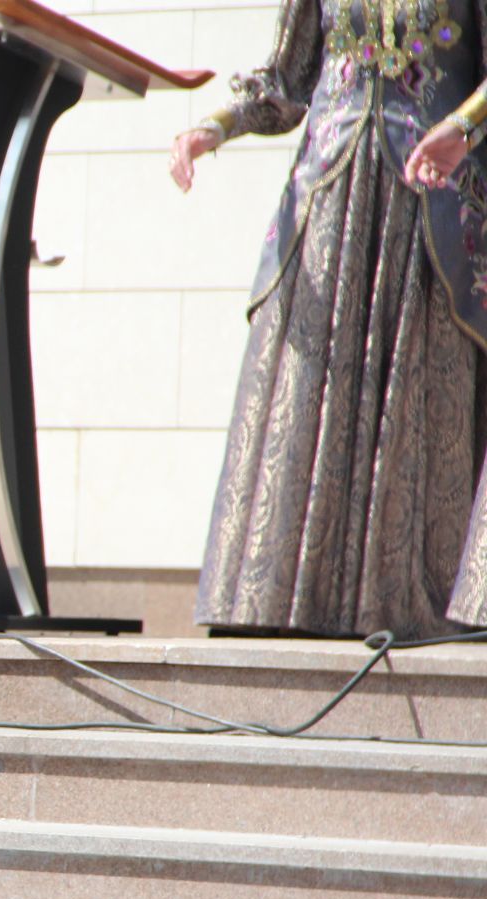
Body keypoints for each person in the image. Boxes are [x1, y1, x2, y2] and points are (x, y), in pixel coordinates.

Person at [170, 0, 487, 638]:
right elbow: (287, 83)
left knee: (419, 398)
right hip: (331, 195)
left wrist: (463, 126)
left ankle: (410, 606)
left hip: (430, 197)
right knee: (306, 382)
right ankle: (293, 607)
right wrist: (214, 126)